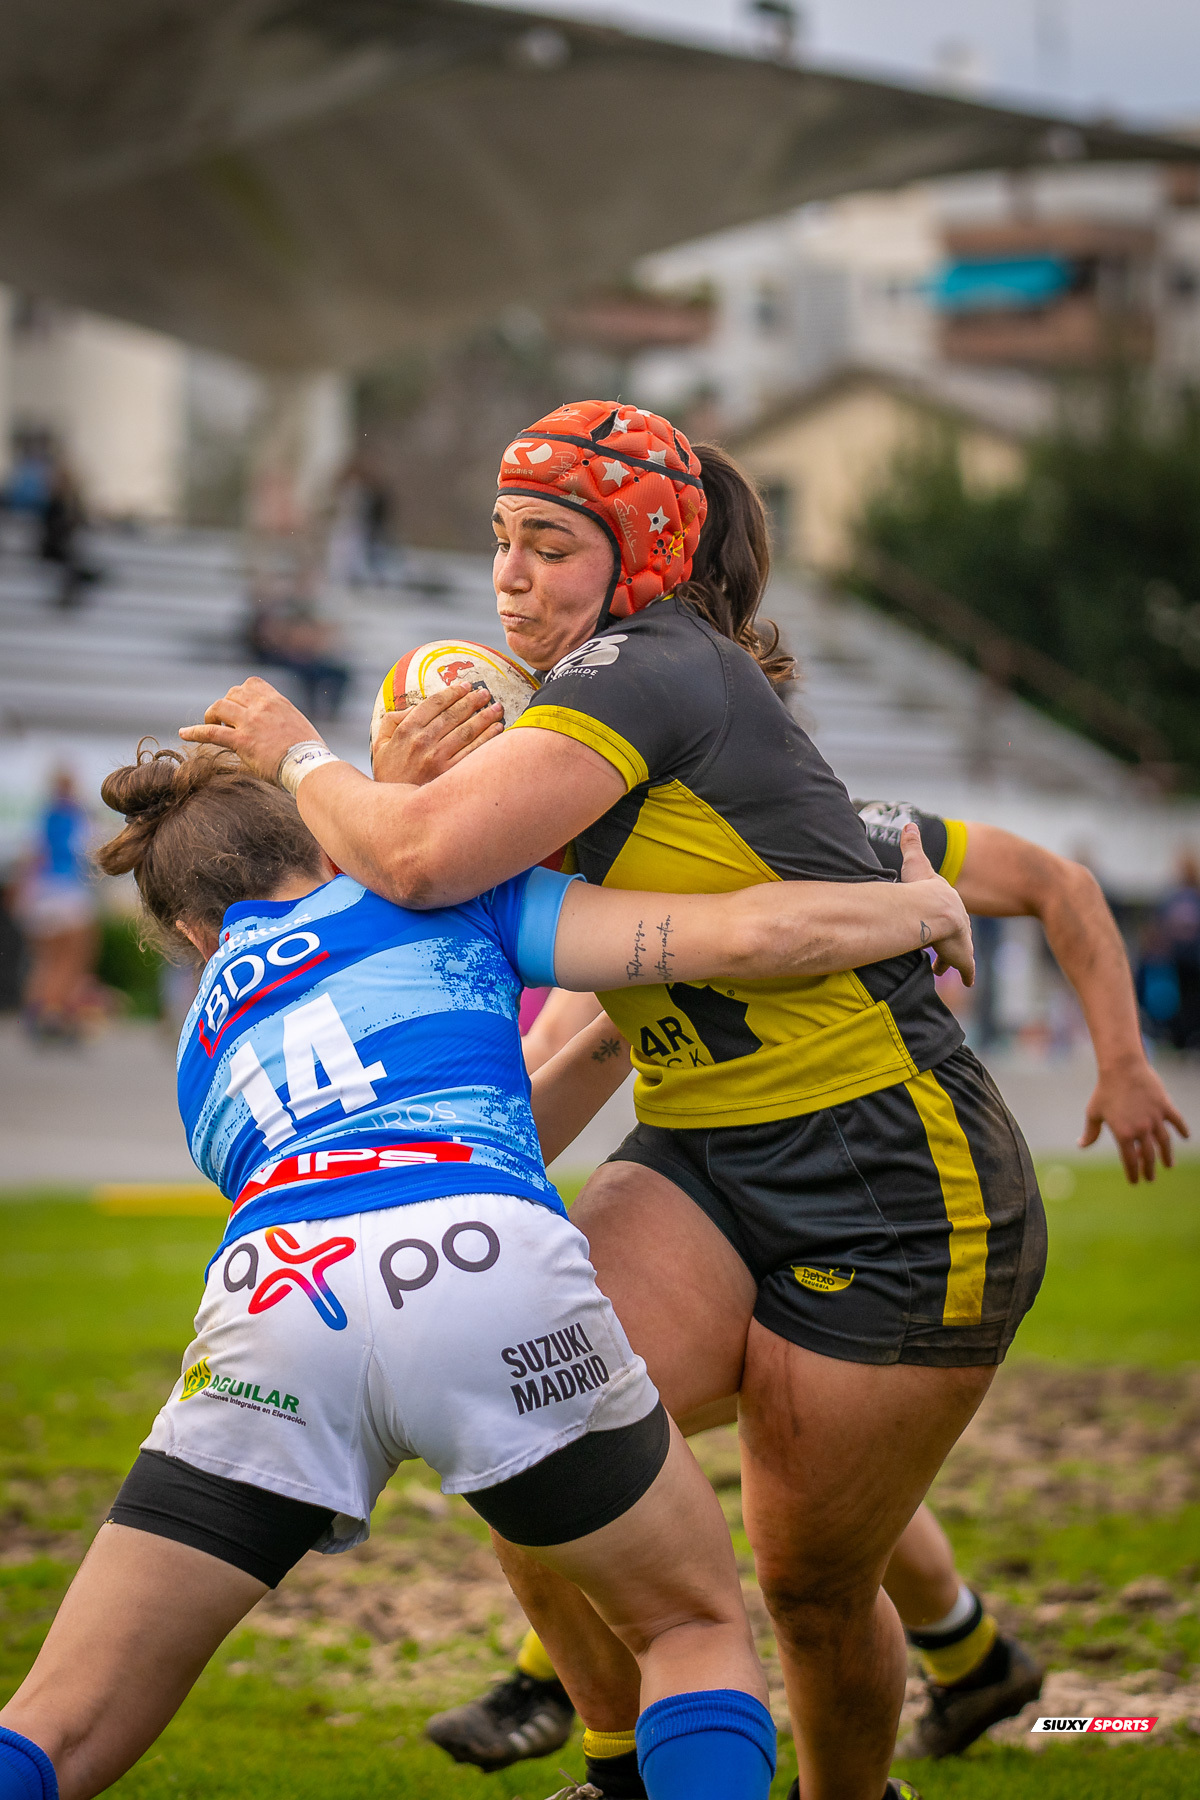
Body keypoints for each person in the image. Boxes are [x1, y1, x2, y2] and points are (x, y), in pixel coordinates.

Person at [182, 399, 1053, 1800]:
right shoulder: (580, 707)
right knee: (531, 1436)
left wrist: (298, 751)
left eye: (549, 545)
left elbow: (419, 862)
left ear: (641, 554)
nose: (510, 577)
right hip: (700, 1144)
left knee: (811, 1587)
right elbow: (519, 963)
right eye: (499, 541)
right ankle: (618, 1768)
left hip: (892, 1169)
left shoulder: (655, 663)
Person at [0, 741, 972, 1800]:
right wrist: (915, 909)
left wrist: (609, 1039)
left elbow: (463, 1133)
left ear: (195, 935)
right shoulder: (435, 894)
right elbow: (739, 934)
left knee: (60, 1720)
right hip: (481, 1266)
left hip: (278, 1300)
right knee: (687, 1626)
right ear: (327, 843)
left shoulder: (203, 1047)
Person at [462, 795, 1189, 1774]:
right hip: (702, 1178)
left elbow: (1057, 883)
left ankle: (944, 1664)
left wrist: (1125, 1061)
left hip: (884, 1185)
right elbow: (567, 1046)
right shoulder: (588, 864)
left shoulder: (844, 825)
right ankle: (961, 1655)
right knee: (573, 1421)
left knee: (805, 1513)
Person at [14, 770, 101, 1041]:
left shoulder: (45, 815)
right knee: (72, 958)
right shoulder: (76, 815)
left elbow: (32, 855)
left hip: (41, 892)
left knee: (45, 961)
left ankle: (36, 1011)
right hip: (68, 891)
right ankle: (56, 1013)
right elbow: (88, 853)